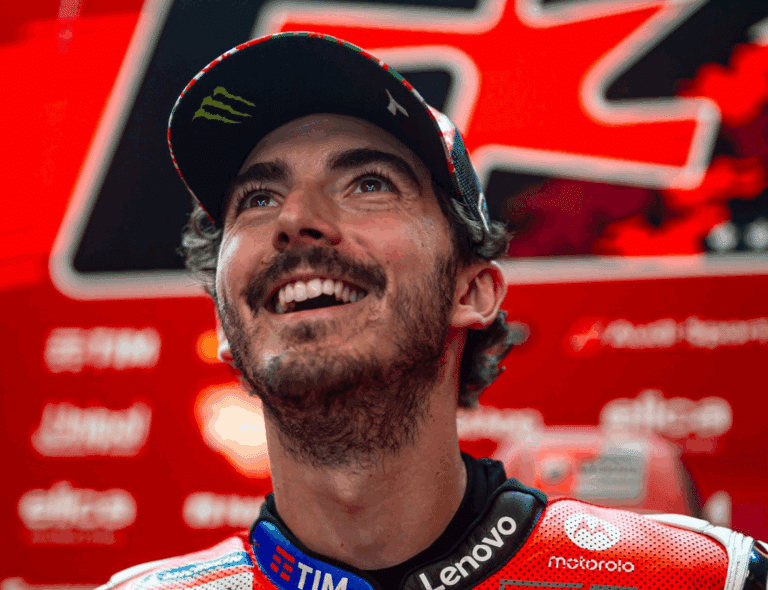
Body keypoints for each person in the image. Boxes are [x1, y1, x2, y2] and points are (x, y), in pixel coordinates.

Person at [100, 32, 767, 590]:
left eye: (368, 183)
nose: (295, 218)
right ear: (223, 320)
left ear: (471, 292)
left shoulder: (704, 579)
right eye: (257, 199)